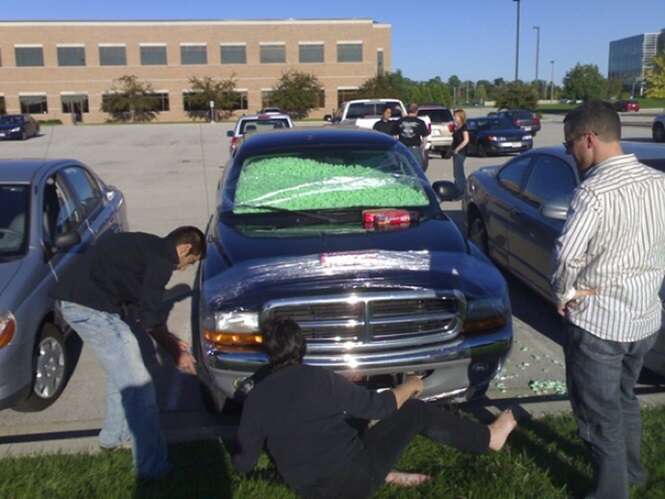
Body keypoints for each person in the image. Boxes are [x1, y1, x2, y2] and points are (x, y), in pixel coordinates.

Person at [233, 318, 517, 499]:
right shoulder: (320, 379)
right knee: (414, 411)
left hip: (308, 489)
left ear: (268, 352)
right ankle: (489, 438)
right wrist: (411, 385)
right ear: (302, 347)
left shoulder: (257, 397)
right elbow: (381, 407)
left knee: (346, 422)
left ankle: (388, 474)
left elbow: (244, 462)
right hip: (356, 483)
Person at [552, 100, 665, 499]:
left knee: (599, 417)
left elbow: (567, 254)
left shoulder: (593, 192)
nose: (569, 152)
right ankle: (632, 473)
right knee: (624, 398)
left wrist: (564, 293)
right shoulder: (658, 183)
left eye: (569, 145)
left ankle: (610, 492)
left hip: (599, 323)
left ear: (589, 139)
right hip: (645, 318)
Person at [52, 226, 206, 480]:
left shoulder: (147, 245)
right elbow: (148, 318)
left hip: (83, 303)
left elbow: (140, 305)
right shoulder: (162, 261)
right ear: (185, 248)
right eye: (191, 261)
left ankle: (113, 437)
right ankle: (152, 468)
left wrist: (170, 341)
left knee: (123, 369)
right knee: (139, 385)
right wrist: (176, 352)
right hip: (91, 310)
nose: (185, 267)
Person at [396, 103, 430, 171]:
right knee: (416, 170)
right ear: (416, 111)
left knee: (403, 170)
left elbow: (394, 136)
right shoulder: (420, 122)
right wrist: (422, 149)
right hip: (415, 149)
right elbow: (425, 138)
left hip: (402, 148)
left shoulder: (399, 121)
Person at [450, 109, 470, 199]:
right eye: (454, 116)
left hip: (460, 152)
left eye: (456, 116)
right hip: (455, 152)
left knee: (459, 173)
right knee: (456, 173)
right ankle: (457, 190)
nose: (454, 117)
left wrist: (457, 149)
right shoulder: (456, 127)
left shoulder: (464, 127)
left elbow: (466, 140)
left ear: (460, 117)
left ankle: (462, 192)